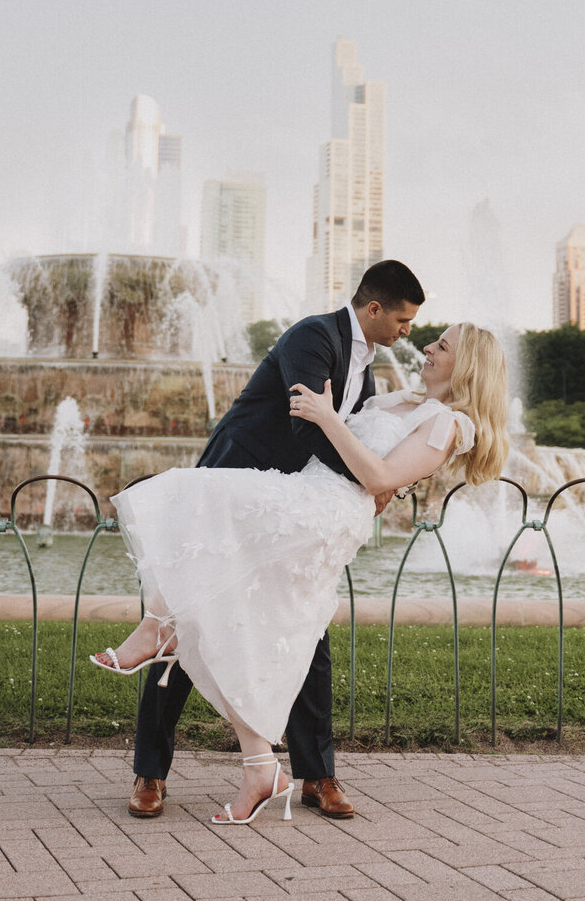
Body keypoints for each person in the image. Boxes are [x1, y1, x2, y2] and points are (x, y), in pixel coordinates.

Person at [95, 305, 509, 825]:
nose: (422, 343)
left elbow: (378, 472)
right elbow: (364, 459)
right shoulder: (384, 386)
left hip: (317, 513)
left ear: (466, 366)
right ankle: (245, 765)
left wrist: (351, 443)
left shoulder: (446, 421)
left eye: (441, 345)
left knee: (196, 520)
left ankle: (163, 634)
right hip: (297, 488)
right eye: (418, 329)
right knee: (227, 609)